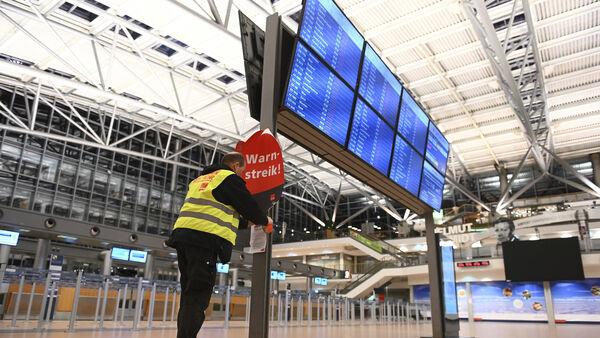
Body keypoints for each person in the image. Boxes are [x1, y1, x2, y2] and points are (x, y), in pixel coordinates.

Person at [166, 152, 272, 338]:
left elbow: (217, 210)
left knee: (190, 294)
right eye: (242, 171)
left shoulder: (200, 180)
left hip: (184, 238)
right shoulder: (228, 178)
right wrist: (264, 220)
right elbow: (248, 205)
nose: (242, 175)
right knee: (198, 296)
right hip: (203, 241)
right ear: (236, 165)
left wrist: (247, 223)